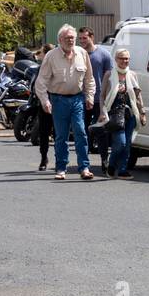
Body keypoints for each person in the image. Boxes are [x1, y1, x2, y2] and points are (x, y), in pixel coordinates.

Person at [34, 24, 96, 181]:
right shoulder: (51, 56)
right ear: (60, 39)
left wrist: (89, 96)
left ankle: (84, 167)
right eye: (68, 38)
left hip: (77, 99)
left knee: (81, 132)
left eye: (73, 38)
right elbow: (41, 81)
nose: (71, 41)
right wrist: (45, 101)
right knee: (61, 136)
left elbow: (89, 78)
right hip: (58, 100)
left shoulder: (82, 53)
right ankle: (61, 168)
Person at [98, 48, 147, 179]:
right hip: (114, 113)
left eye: (126, 58)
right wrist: (103, 111)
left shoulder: (132, 75)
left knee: (128, 144)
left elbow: (138, 95)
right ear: (116, 59)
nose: (124, 61)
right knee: (121, 142)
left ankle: (123, 169)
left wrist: (142, 112)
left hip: (130, 113)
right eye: (121, 58)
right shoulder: (109, 74)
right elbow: (102, 96)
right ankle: (112, 165)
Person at [78, 27, 113, 175]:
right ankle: (84, 164)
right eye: (80, 39)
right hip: (82, 98)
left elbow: (110, 75)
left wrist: (106, 97)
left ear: (92, 37)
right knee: (82, 131)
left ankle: (105, 160)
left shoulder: (103, 54)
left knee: (101, 131)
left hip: (99, 99)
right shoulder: (78, 54)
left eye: (84, 38)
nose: (82, 41)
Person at [32, 43, 54, 171]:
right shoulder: (40, 67)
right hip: (43, 102)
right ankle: (43, 158)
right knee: (44, 132)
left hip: (57, 100)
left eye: (41, 52)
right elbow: (37, 84)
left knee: (59, 133)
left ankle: (60, 159)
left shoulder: (57, 65)